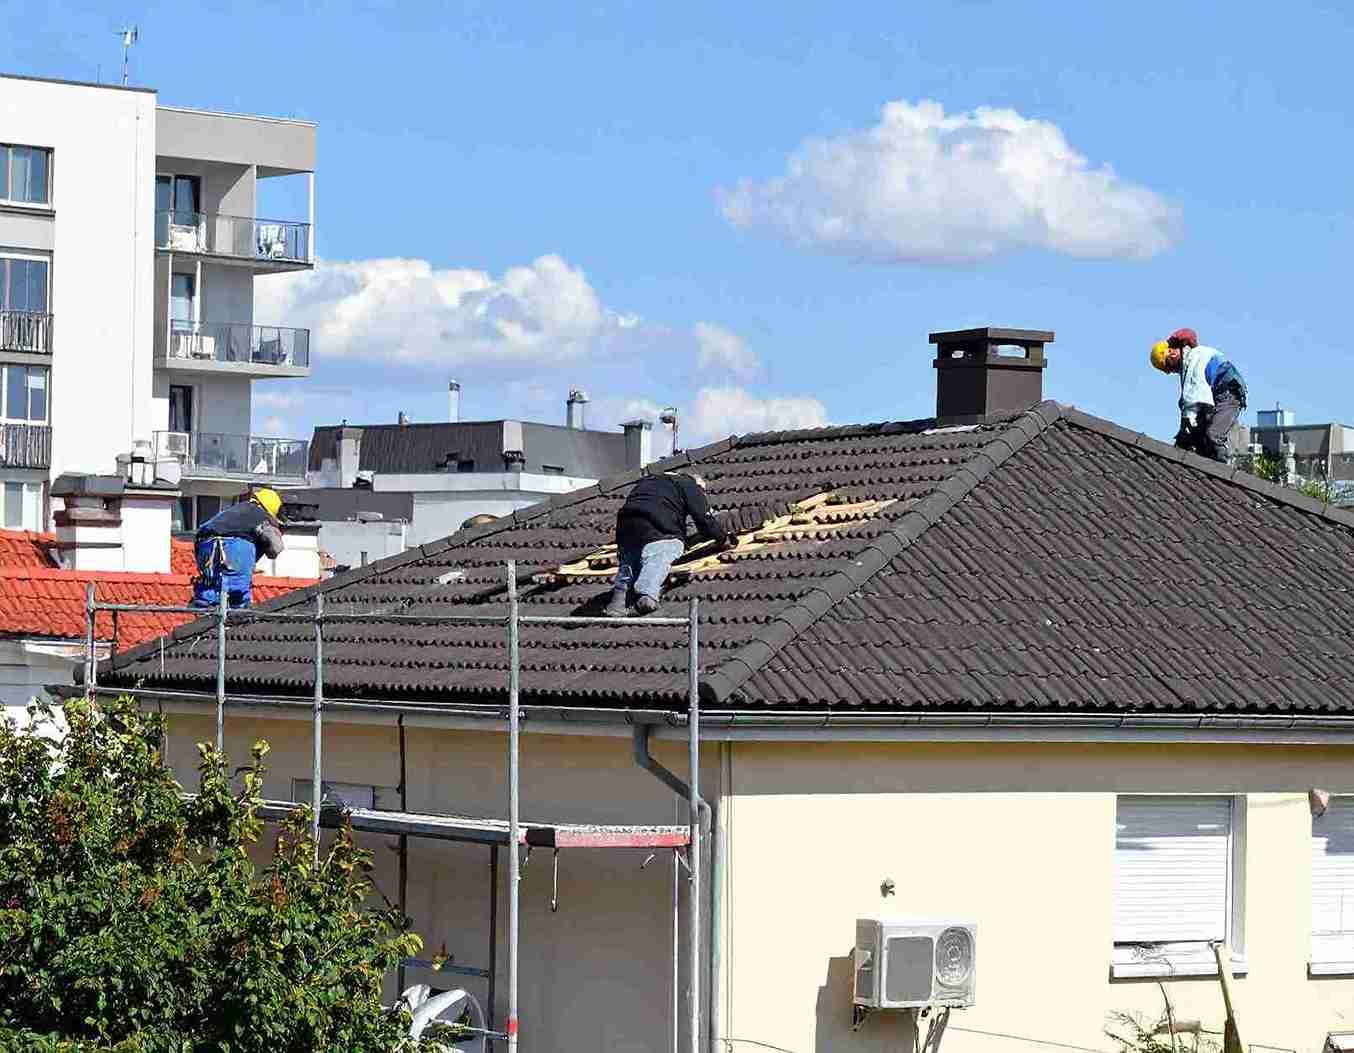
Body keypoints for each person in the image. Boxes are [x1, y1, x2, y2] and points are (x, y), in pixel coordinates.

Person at [605, 470, 729, 618]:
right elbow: (703, 518)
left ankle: (618, 600)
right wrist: (722, 539)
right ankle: (647, 594)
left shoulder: (651, 481)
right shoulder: (689, 484)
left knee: (631, 558)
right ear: (698, 485)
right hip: (655, 524)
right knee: (666, 548)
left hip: (626, 525)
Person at [1150, 327, 1248, 463]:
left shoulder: (1193, 359)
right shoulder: (1192, 357)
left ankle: (1222, 472)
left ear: (1171, 354)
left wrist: (1185, 431)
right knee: (1200, 440)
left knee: (1213, 435)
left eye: (1170, 366)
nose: (1173, 371)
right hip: (1219, 395)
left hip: (1229, 395)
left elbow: (1192, 400)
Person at [191, 488, 286, 609]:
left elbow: (200, 536)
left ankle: (205, 604)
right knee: (237, 590)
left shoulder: (233, 511)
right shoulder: (261, 515)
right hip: (232, 547)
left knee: (211, 584)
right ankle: (238, 612)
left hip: (205, 544)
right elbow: (276, 548)